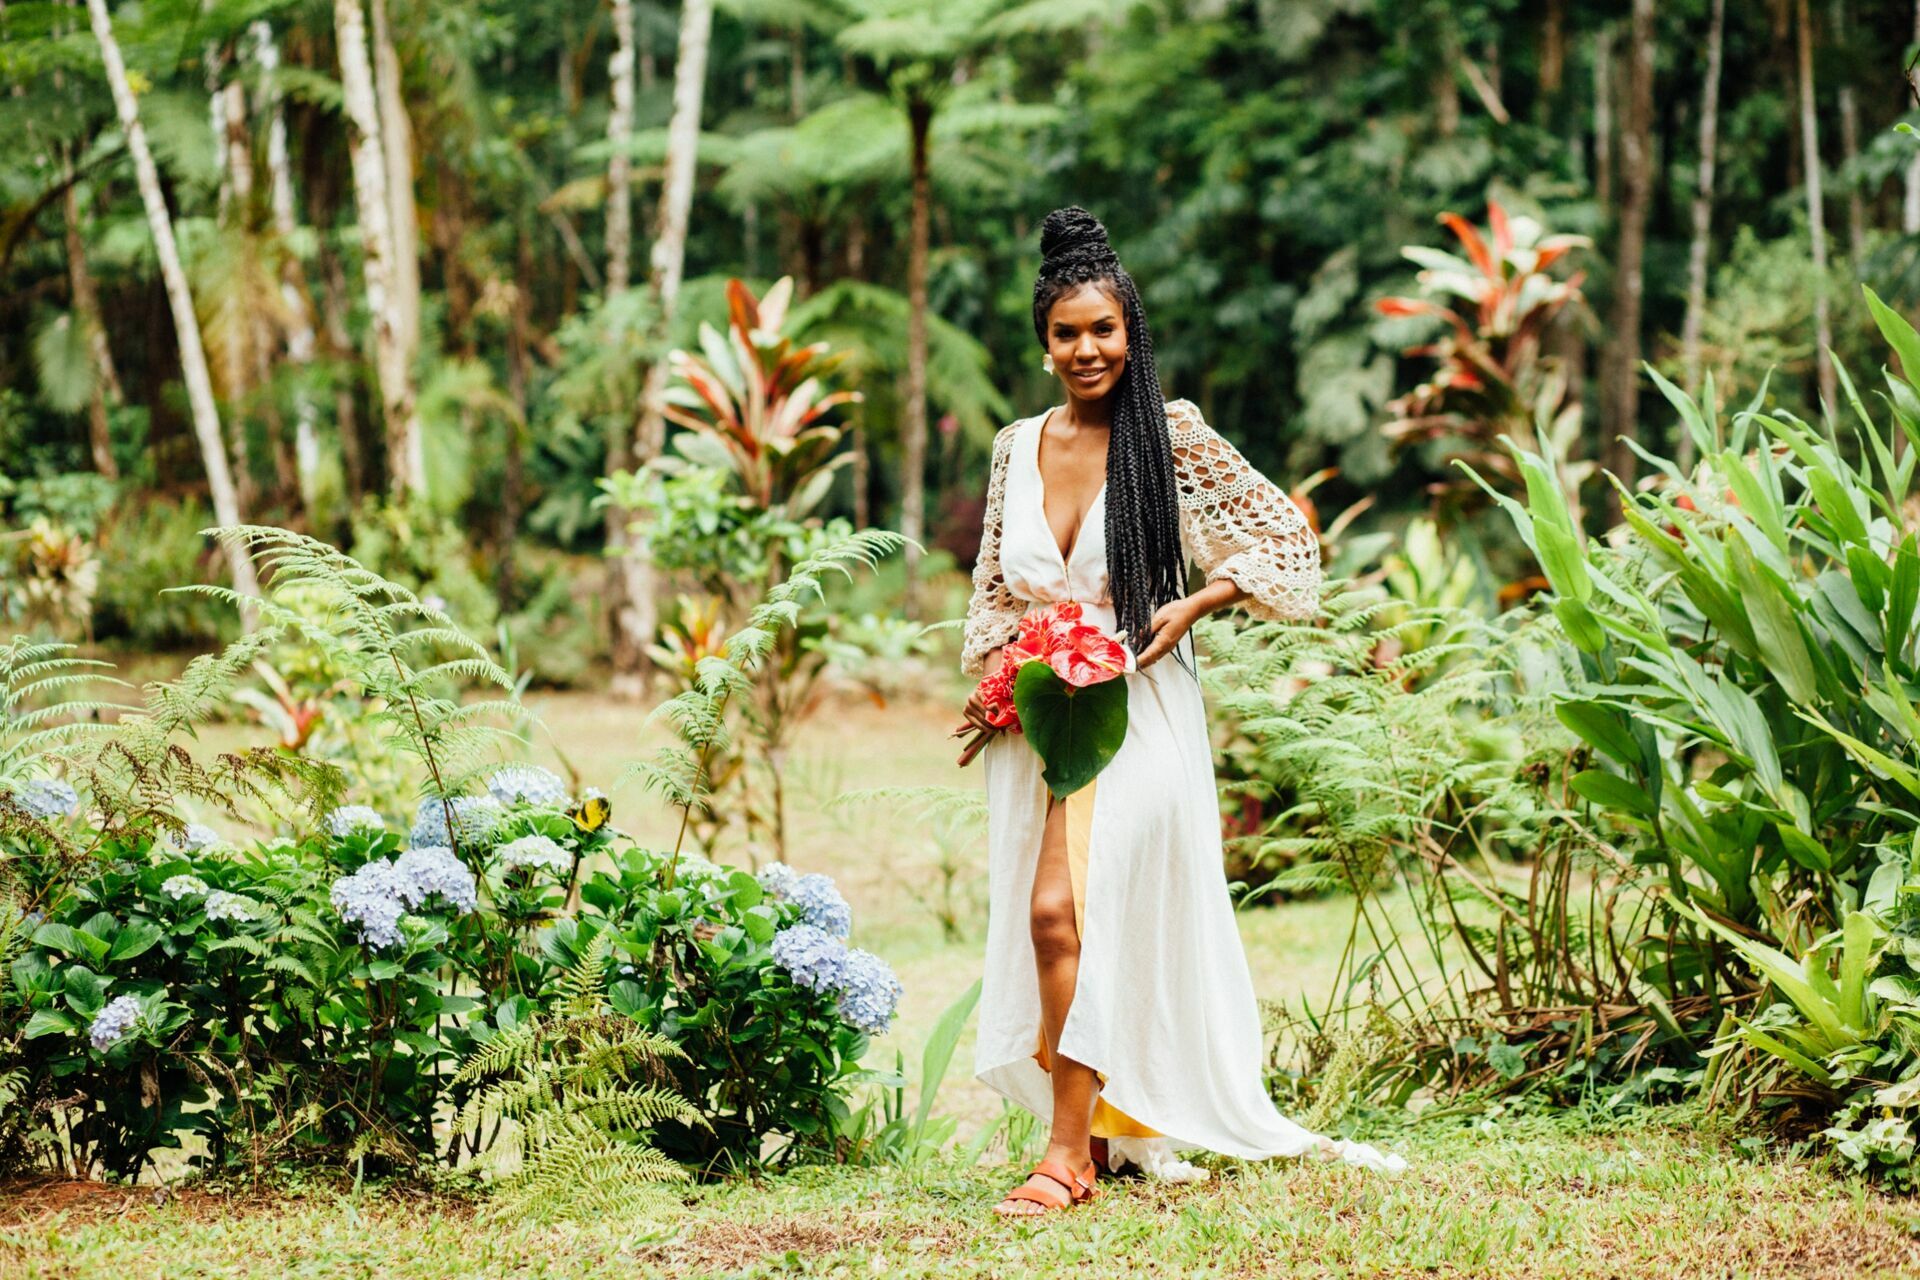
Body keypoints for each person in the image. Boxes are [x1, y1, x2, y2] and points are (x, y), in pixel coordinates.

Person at [956, 206, 1408, 1218]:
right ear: (1043, 342)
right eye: (1067, 332)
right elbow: (993, 588)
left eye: (1104, 330)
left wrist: (1199, 598)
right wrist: (993, 687)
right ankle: (1105, 1125)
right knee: (1059, 919)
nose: (1087, 349)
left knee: (1062, 909)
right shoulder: (1013, 447)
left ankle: (1068, 1152)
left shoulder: (1169, 436)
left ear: (1132, 333)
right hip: (1042, 711)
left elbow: (1290, 543)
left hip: (1140, 700)